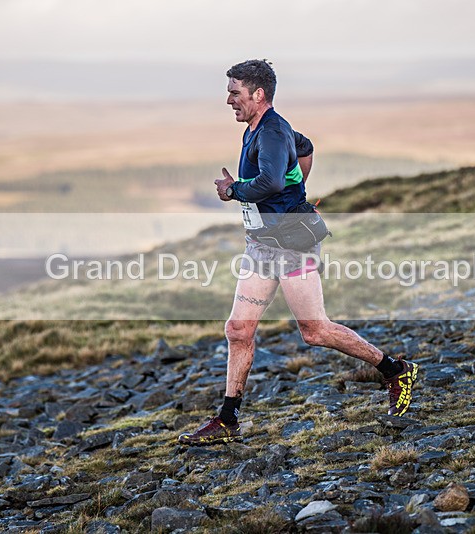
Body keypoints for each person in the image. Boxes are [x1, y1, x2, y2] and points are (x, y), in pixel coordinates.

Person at [178, 59, 418, 446]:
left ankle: (395, 369)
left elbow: (271, 180)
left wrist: (234, 191)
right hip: (262, 245)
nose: (228, 100)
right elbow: (304, 148)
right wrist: (298, 186)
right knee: (238, 329)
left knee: (315, 330)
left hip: (292, 244)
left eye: (234, 92)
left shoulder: (272, 132)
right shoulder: (262, 128)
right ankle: (227, 419)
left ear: (258, 94)